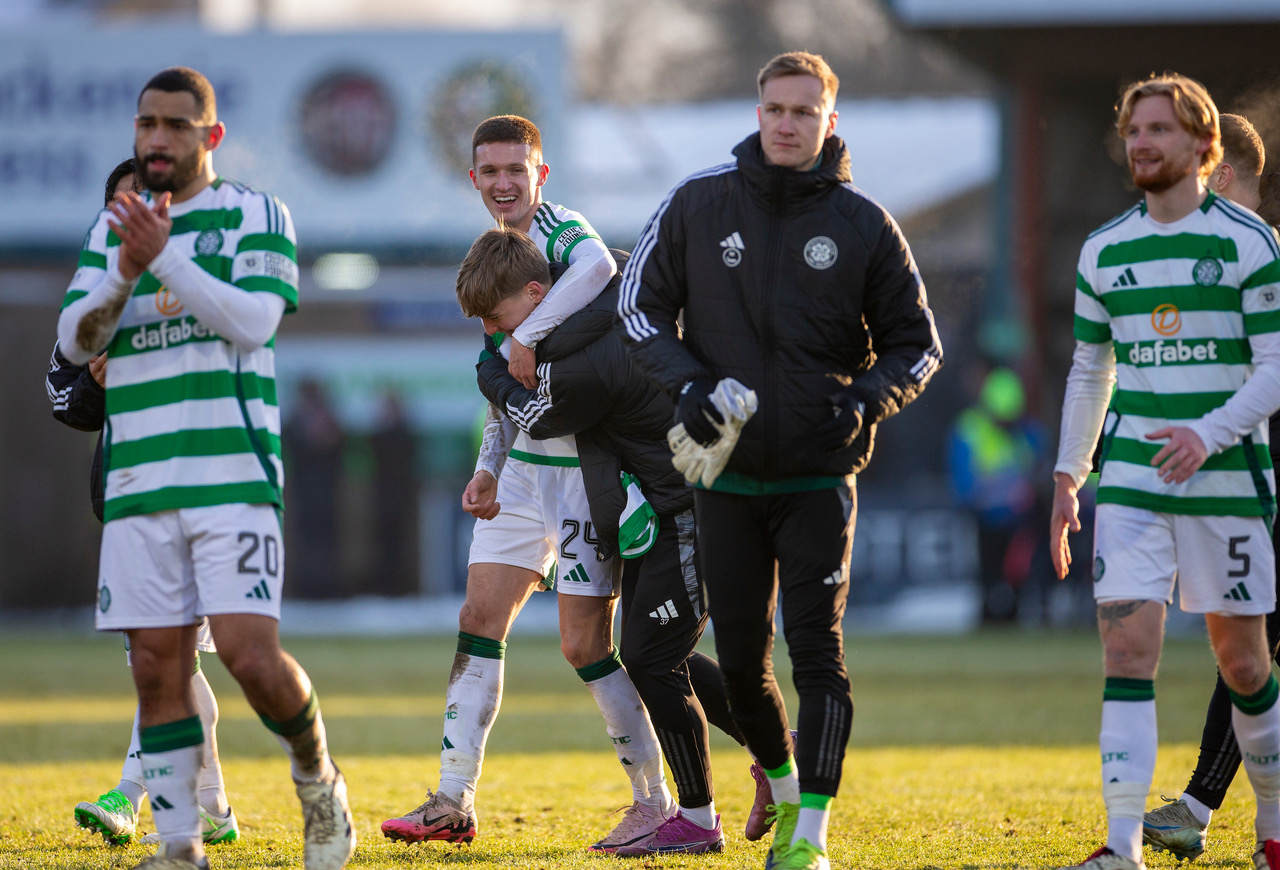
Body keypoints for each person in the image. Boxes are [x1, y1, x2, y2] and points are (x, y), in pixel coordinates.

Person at [617, 51, 943, 870]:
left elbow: (919, 346)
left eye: (805, 111)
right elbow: (638, 305)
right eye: (776, 110)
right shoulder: (698, 204)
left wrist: (868, 397)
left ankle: (813, 837)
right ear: (758, 113)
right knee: (739, 663)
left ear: (830, 121)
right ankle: (787, 785)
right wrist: (688, 384)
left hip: (819, 478)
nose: (789, 124)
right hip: (723, 477)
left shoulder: (865, 223)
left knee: (819, 654)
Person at [54, 67, 354, 870]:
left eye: (175, 125)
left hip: (232, 477)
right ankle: (180, 843)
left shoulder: (256, 214)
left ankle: (317, 778)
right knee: (158, 667)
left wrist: (164, 262)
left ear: (209, 137)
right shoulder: (109, 230)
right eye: (146, 123)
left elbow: (254, 323)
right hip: (138, 484)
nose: (156, 138)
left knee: (252, 657)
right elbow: (75, 342)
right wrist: (124, 267)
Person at [381, 115, 677, 853]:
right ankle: (452, 800)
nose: (505, 183)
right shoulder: (491, 257)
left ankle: (656, 799)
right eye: (491, 171)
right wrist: (487, 467)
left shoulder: (559, 228)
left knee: (585, 646)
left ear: (540, 174)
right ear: (474, 179)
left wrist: (526, 333)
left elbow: (601, 272)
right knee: (480, 617)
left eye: (518, 169)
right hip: (523, 474)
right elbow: (503, 393)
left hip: (587, 477)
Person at [462, 225, 762, 854]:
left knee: (641, 655)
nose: (493, 331)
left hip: (683, 504)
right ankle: (770, 766)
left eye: (498, 318)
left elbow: (540, 410)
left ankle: (703, 809)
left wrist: (493, 369)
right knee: (656, 654)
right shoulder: (578, 315)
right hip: (650, 503)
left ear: (541, 293)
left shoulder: (582, 342)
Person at [1050, 75, 1280, 870]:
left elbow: (1276, 364)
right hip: (1133, 484)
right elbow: (1089, 371)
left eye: (1161, 129)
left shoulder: (1250, 243)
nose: (1142, 141)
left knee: (1244, 663)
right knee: (1127, 652)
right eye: (1134, 128)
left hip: (1228, 484)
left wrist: (1209, 435)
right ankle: (1120, 847)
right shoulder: (1105, 250)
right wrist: (1068, 477)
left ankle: (1274, 830)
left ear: (1204, 147)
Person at [47, 157, 239, 849]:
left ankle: (131, 798)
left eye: (149, 205)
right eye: (121, 208)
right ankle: (215, 807)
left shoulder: (203, 281)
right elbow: (62, 394)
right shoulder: (95, 294)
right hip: (129, 502)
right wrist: (100, 379)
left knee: (167, 661)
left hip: (206, 497)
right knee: (163, 663)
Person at [1140, 112, 1280, 861]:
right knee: (1248, 656)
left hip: (1264, 487)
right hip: (1251, 489)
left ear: (1220, 173)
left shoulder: (1255, 260)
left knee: (1249, 655)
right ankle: (1198, 808)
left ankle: (1197, 808)